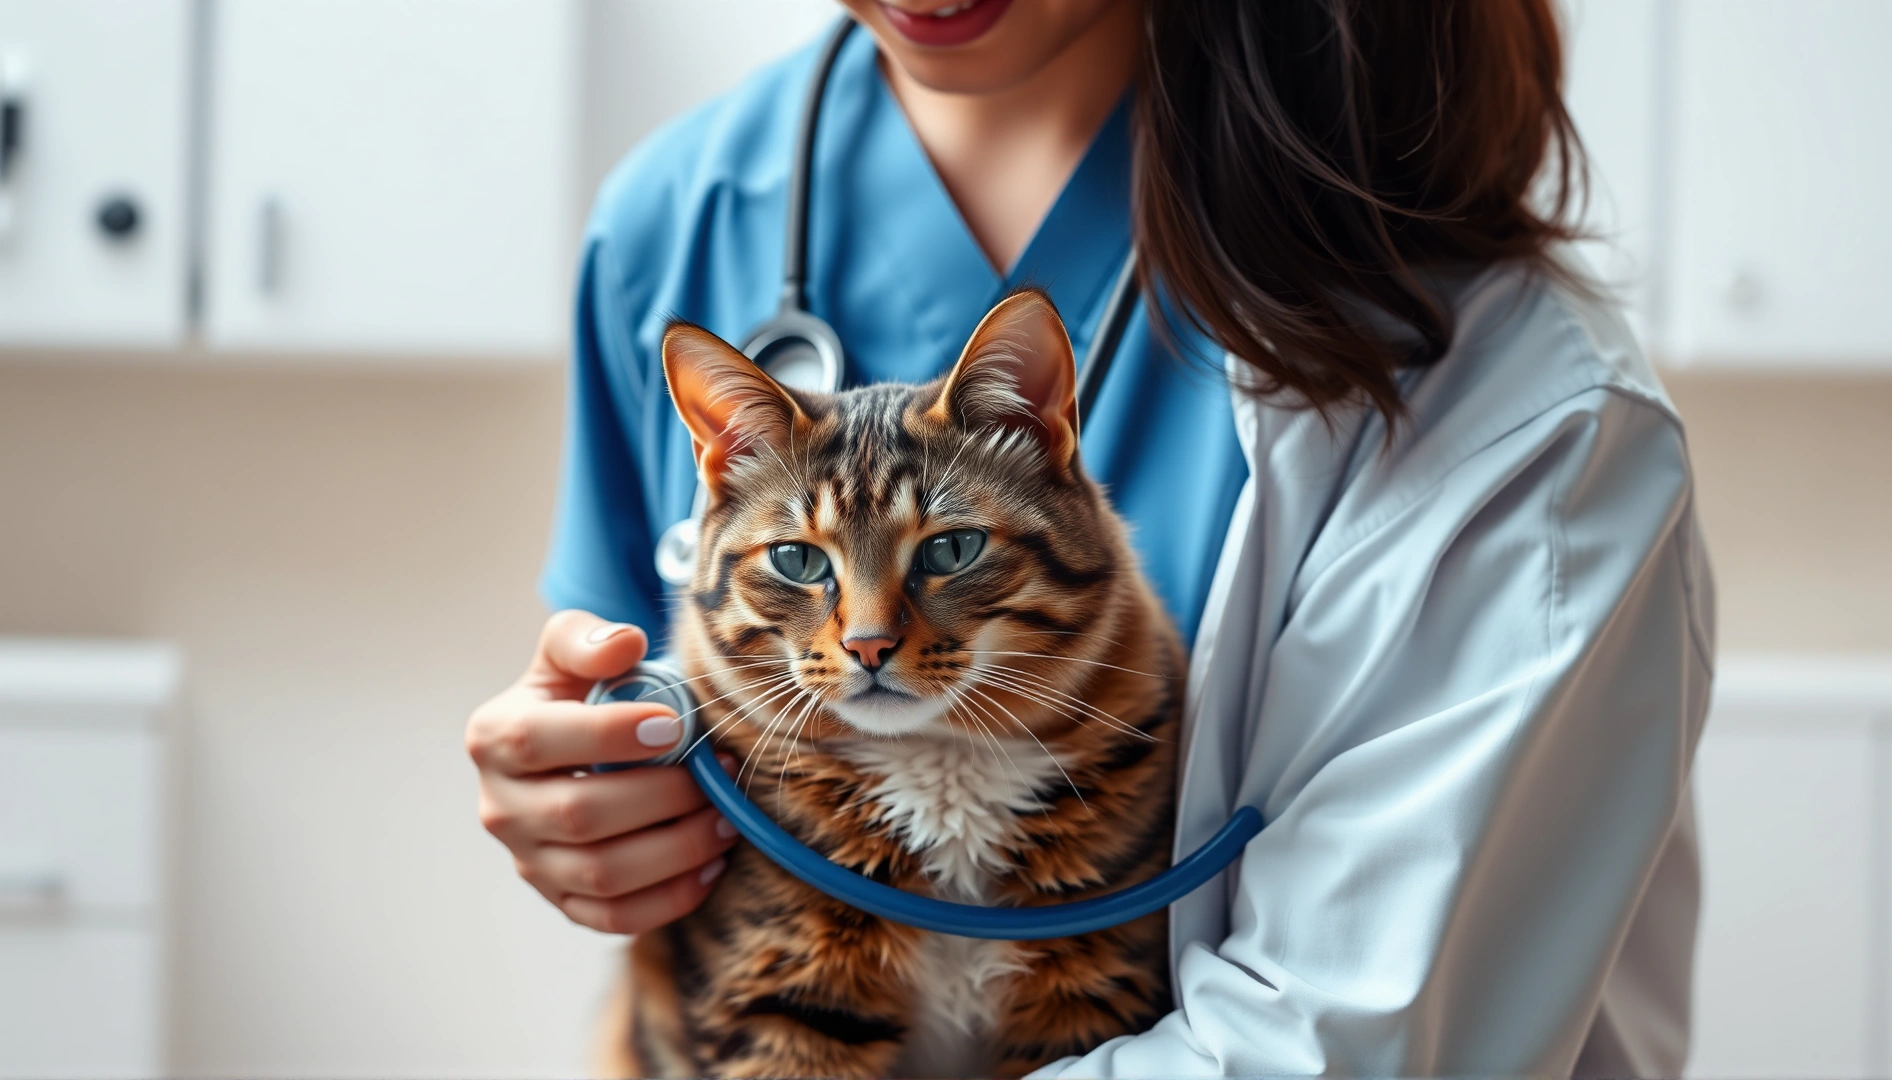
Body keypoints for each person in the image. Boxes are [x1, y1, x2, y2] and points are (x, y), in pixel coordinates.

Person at [464, 0, 1716, 1074]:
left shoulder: (1506, 391)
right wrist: (594, 802)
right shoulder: (678, 219)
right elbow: (684, 764)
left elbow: (1345, 1040)